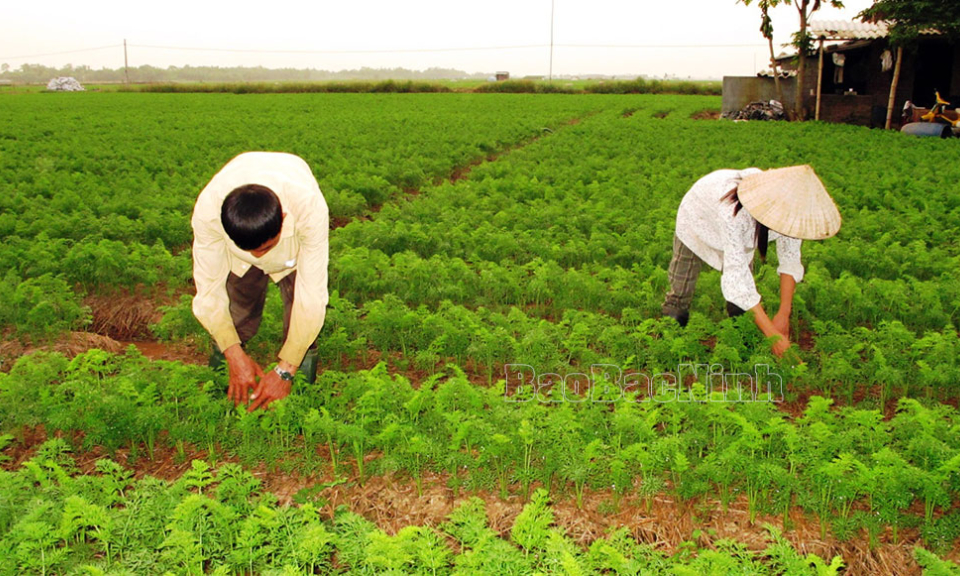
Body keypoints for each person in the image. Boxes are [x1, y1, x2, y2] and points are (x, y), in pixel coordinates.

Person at [191, 152, 329, 411]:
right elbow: (208, 290)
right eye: (251, 250)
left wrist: (285, 370)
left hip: (293, 255)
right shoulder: (208, 213)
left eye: (266, 247)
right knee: (236, 312)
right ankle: (225, 387)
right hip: (236, 259)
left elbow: (312, 296)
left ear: (284, 220)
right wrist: (233, 353)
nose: (259, 256)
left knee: (298, 316)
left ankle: (297, 398)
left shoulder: (307, 210)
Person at [661, 165, 840, 357]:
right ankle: (670, 347)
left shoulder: (791, 213)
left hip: (739, 229)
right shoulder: (735, 214)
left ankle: (739, 341)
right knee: (681, 287)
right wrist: (773, 336)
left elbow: (790, 258)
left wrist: (783, 314)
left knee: (741, 303)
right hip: (698, 217)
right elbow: (737, 279)